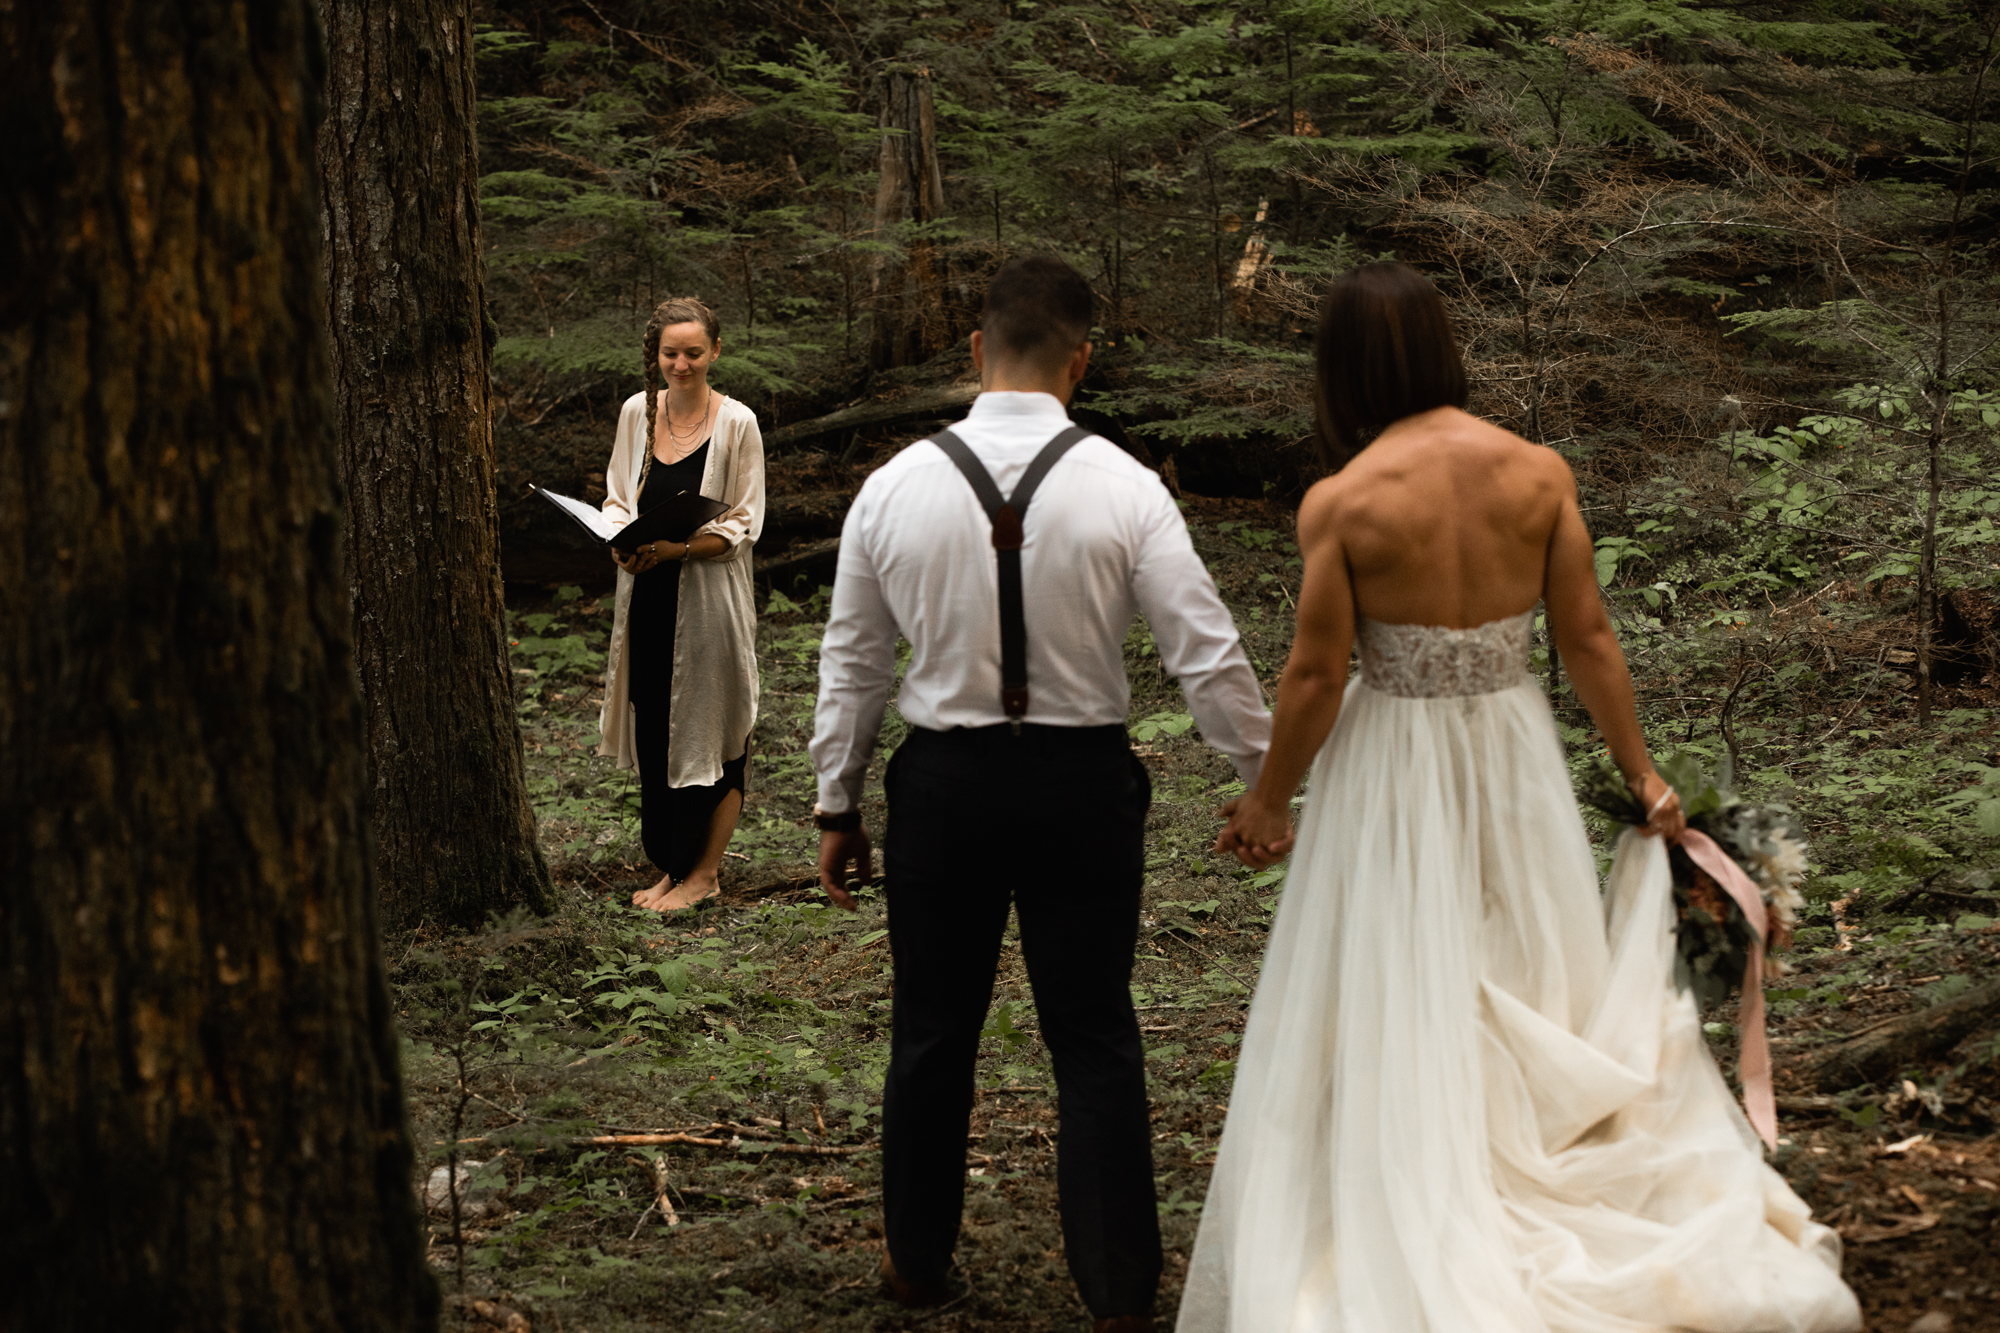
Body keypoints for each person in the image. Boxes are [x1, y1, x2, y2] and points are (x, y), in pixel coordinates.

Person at [1182, 262, 1862, 1332]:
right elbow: (1585, 636)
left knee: (1402, 957)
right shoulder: (1535, 473)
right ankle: (1532, 1146)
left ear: (1344, 371)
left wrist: (1269, 800)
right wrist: (1642, 773)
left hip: (1391, 758)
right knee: (1523, 952)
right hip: (1509, 743)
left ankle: (1419, 1158)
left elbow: (1315, 676)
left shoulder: (1345, 499)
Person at [809, 256, 1272, 1333]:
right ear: (1082, 359)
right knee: (1094, 1033)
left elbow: (853, 661)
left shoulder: (893, 485)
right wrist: (1267, 782)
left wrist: (838, 802)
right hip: (1079, 789)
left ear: (976, 351)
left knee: (930, 1030)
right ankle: (1115, 1292)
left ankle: (917, 1263)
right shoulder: (1124, 486)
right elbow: (1203, 656)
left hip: (943, 790)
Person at [597, 296, 765, 912]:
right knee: (658, 723)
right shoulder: (637, 413)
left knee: (714, 725)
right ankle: (673, 865)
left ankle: (705, 874)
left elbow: (744, 519)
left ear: (715, 351)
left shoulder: (737, 423)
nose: (683, 364)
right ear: (656, 355)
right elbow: (618, 496)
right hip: (646, 596)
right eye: (671, 353)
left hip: (708, 603)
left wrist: (678, 549)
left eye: (695, 352)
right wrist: (622, 544)